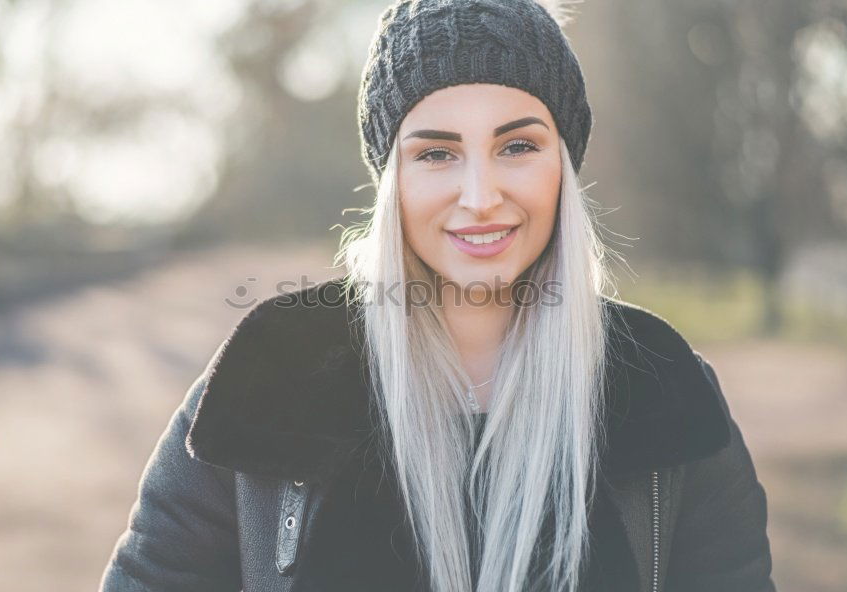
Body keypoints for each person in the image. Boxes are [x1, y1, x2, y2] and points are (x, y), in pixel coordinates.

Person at [99, 1, 775, 591]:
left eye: (517, 145)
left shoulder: (662, 385)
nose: (480, 198)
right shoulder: (274, 372)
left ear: (563, 167)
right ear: (392, 180)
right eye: (436, 154)